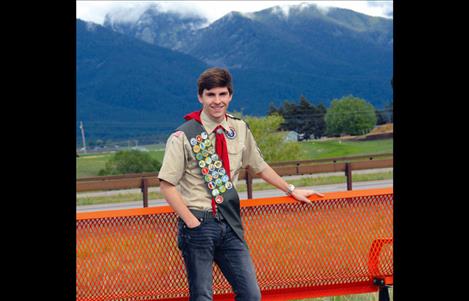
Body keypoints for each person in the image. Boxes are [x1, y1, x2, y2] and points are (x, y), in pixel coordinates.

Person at [158, 67, 324, 301]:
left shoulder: (239, 128)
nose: (217, 101)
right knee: (202, 296)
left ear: (230, 96)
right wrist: (192, 222)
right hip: (198, 223)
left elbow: (260, 166)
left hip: (229, 222)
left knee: (250, 294)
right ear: (200, 97)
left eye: (222, 94)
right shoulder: (184, 136)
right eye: (211, 95)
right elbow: (167, 185)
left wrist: (291, 190)